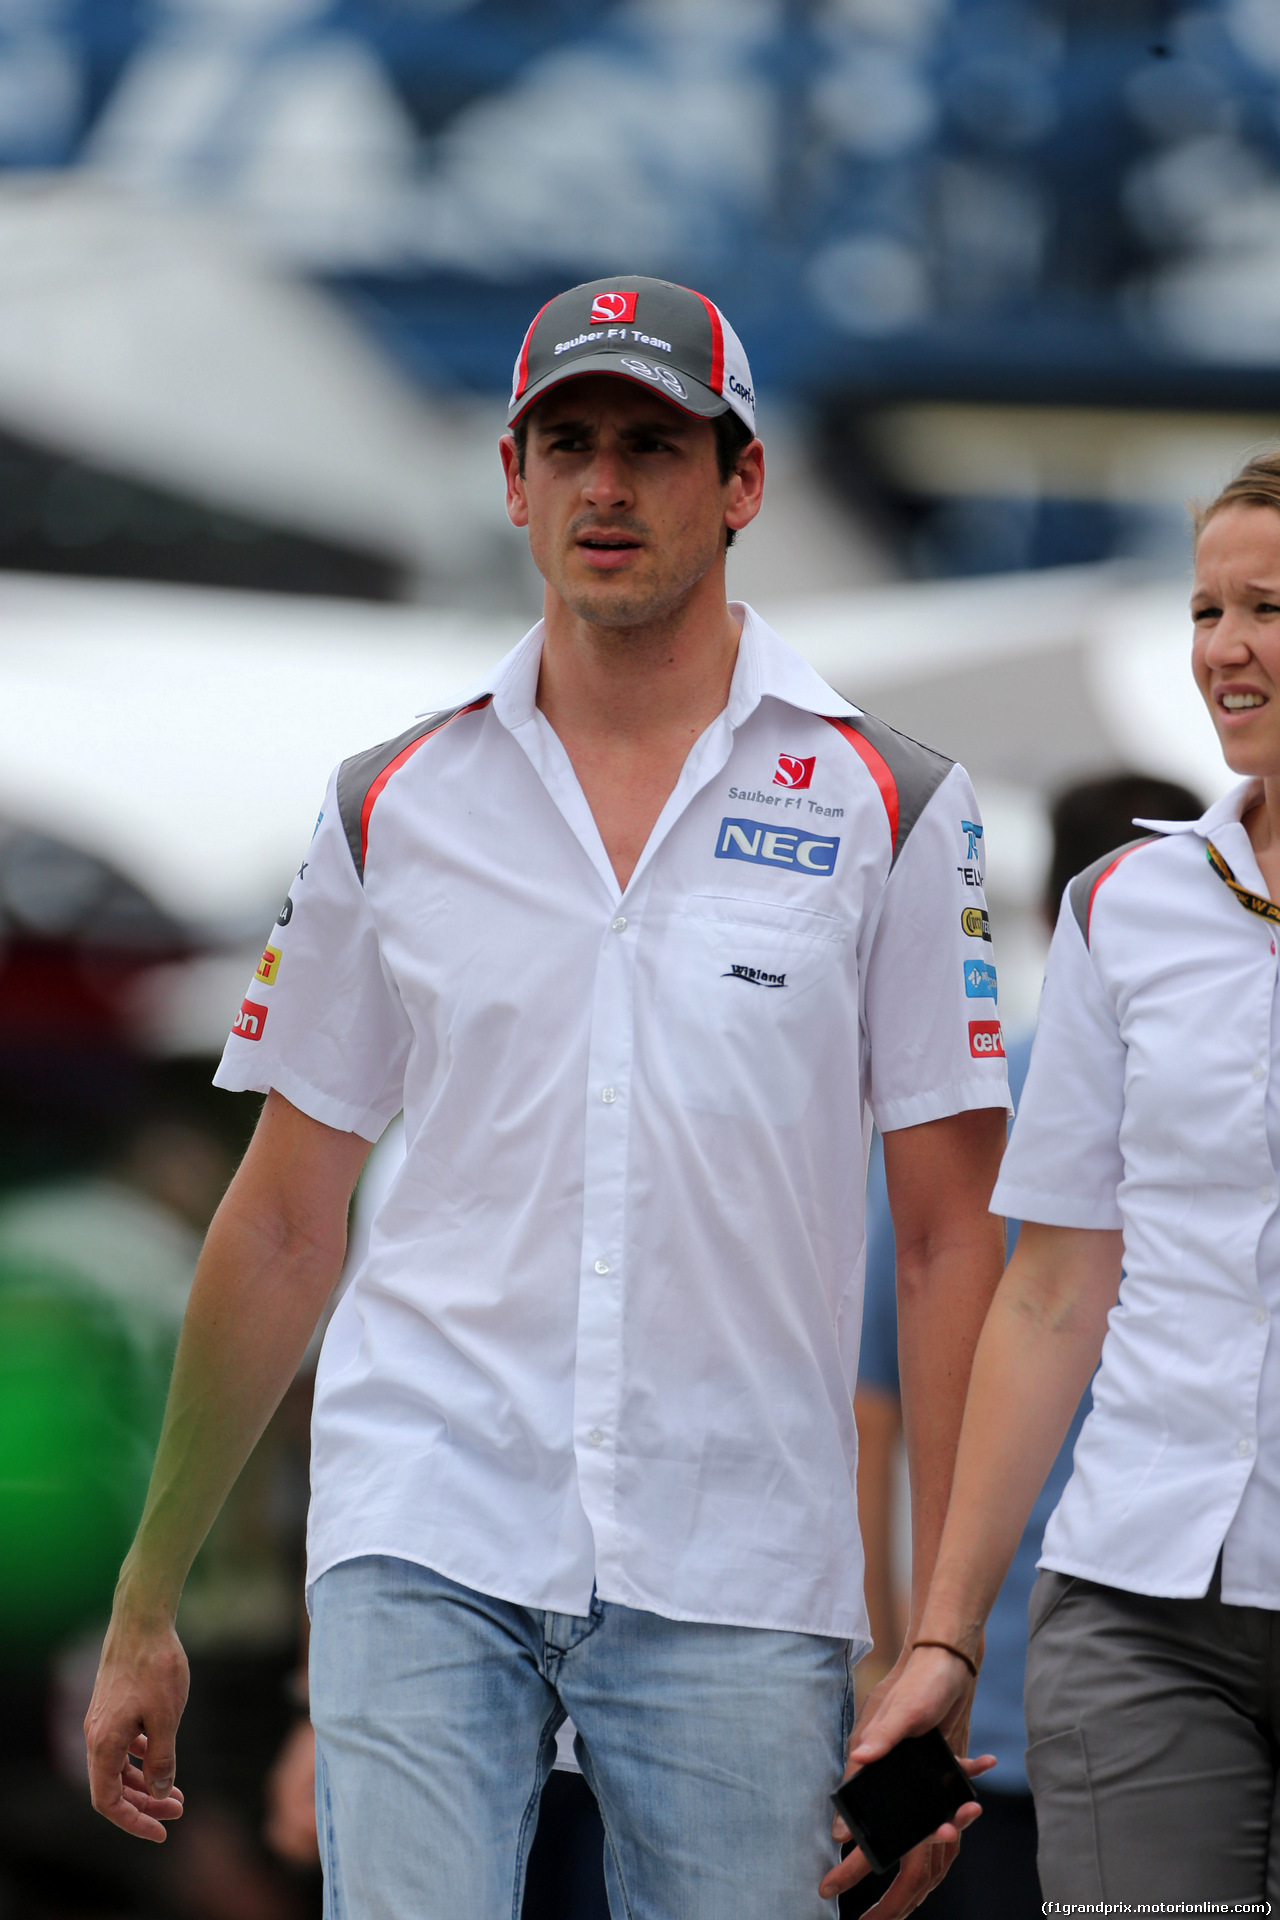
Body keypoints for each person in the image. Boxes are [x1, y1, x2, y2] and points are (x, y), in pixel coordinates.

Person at [84, 274, 1011, 1920]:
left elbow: (949, 1248)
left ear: (741, 484)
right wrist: (147, 1596)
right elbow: (287, 1216)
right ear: (510, 480)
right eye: (566, 442)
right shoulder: (389, 802)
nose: (604, 485)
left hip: (739, 1547)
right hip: (423, 1513)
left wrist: (938, 1637)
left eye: (652, 445)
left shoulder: (894, 804)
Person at [845, 447, 1280, 1907]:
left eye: (1268, 607)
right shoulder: (1124, 906)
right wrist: (946, 1637)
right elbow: (1049, 1292)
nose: (1226, 648)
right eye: (1208, 609)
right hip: (1135, 1599)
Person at [845, 773, 1203, 1920]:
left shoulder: (973, 1103)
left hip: (978, 1694)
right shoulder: (1208, 1098)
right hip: (1175, 1677)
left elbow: (866, 1401)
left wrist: (887, 1648)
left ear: (1051, 919)